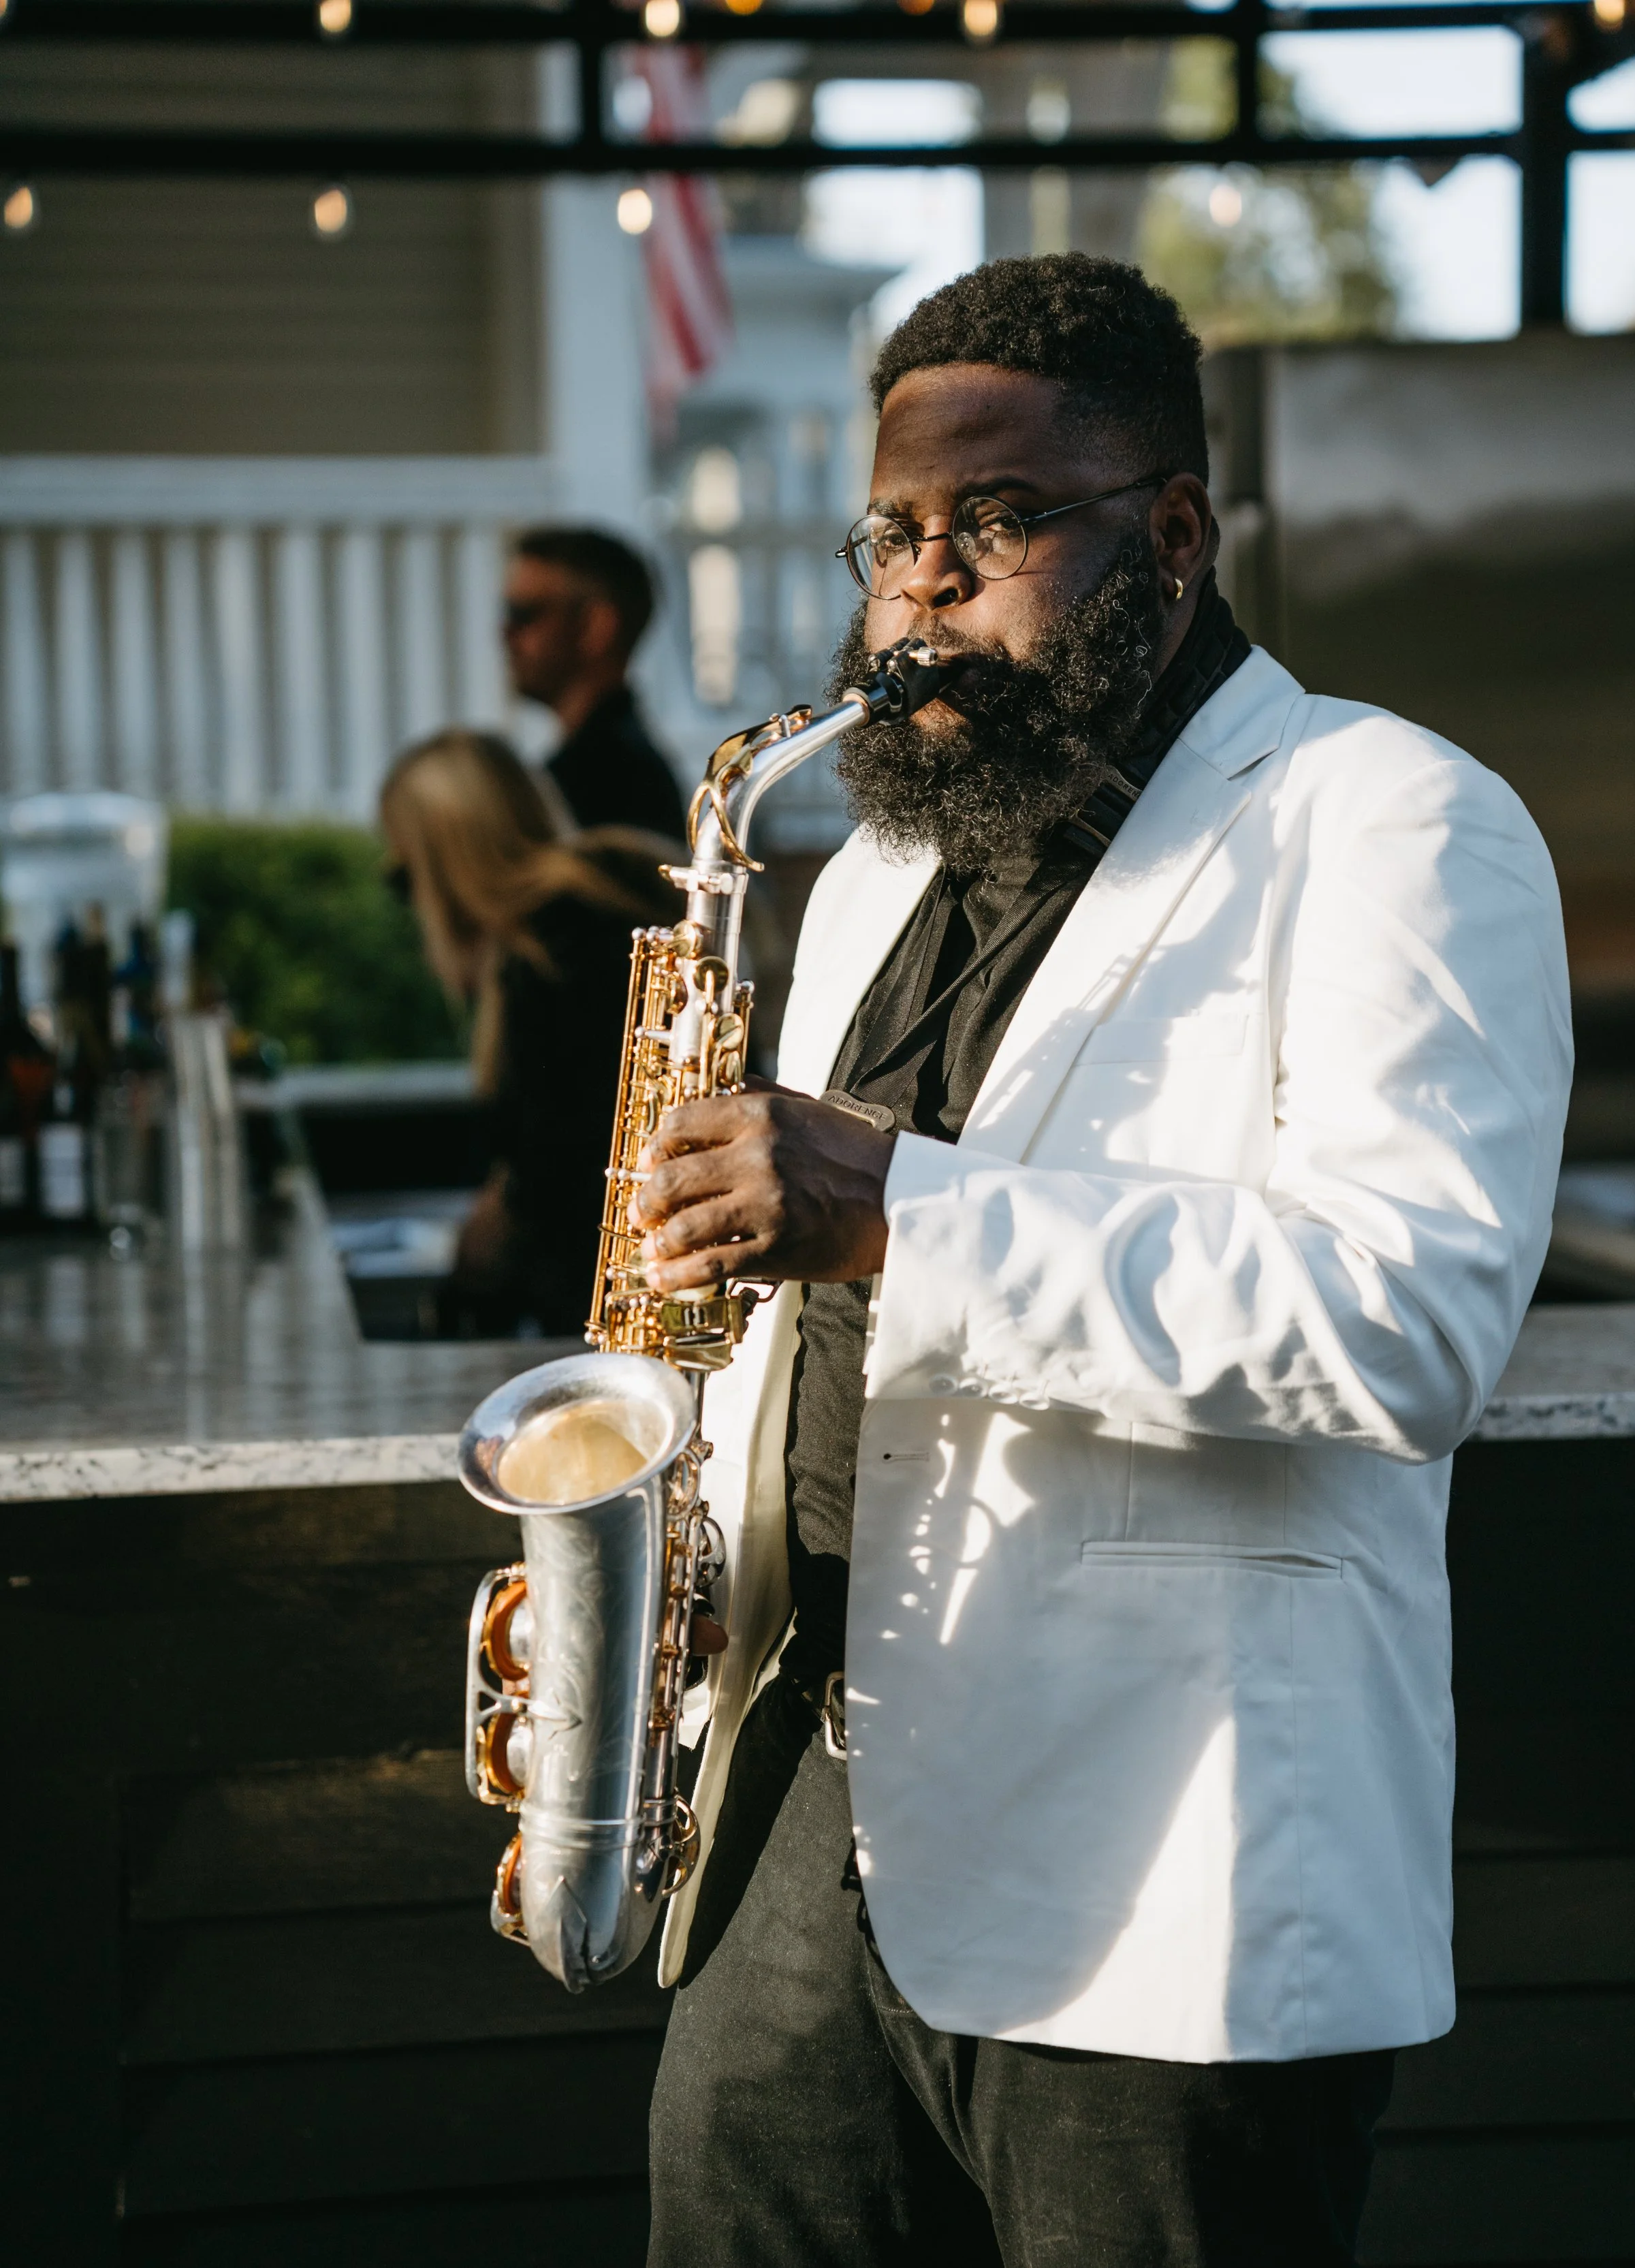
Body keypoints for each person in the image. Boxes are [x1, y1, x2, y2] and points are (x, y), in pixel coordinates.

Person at [631, 255, 1574, 2266]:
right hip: (794, 1824)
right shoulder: (876, 858)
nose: (922, 590)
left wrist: (895, 1203)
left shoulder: (1391, 820)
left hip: (1161, 1877)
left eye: (995, 523)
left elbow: (1401, 1325)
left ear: (1168, 529)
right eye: (891, 533)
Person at [379, 729, 676, 1335]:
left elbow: (565, 1161)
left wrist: (499, 1220)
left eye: (405, 877)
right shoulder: (609, 898)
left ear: (446, 861)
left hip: (608, 1304)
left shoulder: (551, 955)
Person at [503, 526, 688, 843]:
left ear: (596, 627)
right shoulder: (622, 766)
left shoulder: (608, 782)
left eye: (524, 614)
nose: (506, 634)